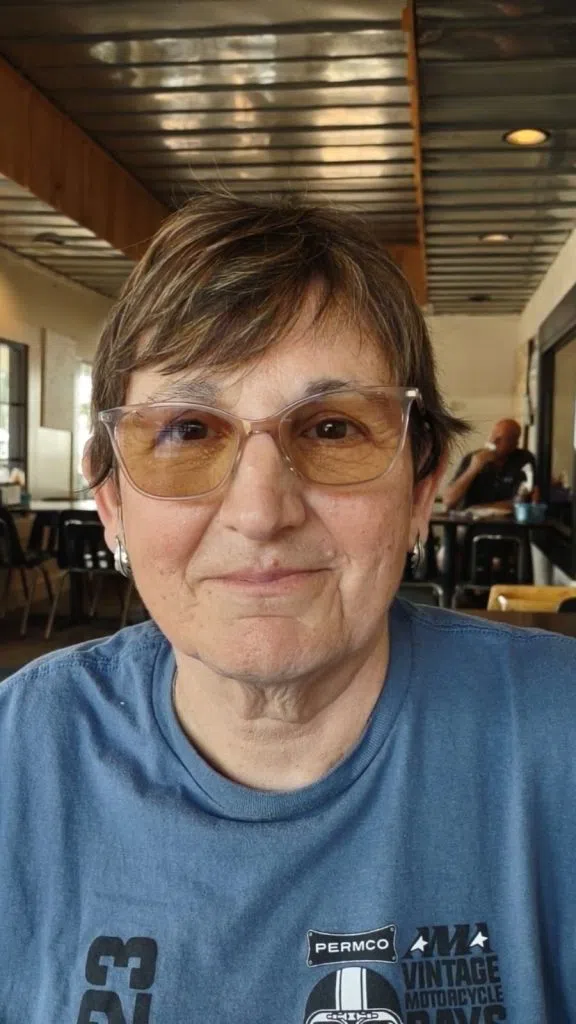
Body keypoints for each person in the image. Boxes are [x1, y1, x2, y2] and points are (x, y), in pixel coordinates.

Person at [1, 190, 575, 1023]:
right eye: (188, 430)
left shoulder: (559, 739)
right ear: (111, 501)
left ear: (421, 490)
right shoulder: (18, 762)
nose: (261, 512)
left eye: (332, 428)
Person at [444, 418, 536, 511]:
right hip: (470, 519)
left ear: (514, 444)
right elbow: (449, 501)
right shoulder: (472, 458)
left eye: (500, 439)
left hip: (507, 520)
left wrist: (482, 508)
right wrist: (473, 469)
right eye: (493, 436)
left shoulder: (523, 459)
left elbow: (521, 502)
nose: (494, 441)